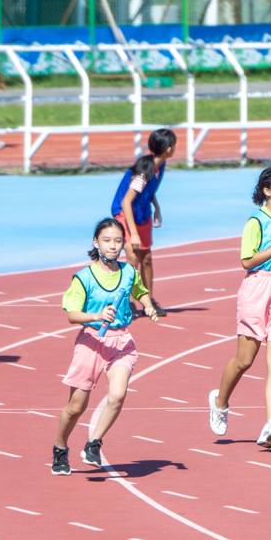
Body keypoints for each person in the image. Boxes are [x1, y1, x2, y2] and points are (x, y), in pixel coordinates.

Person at [207, 165, 271, 449]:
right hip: (258, 289)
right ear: (267, 191)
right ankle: (220, 401)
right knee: (245, 360)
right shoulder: (256, 222)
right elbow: (247, 261)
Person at [51, 218, 161, 476]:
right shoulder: (84, 277)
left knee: (118, 395)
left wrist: (147, 304)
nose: (113, 246)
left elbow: (140, 291)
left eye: (118, 241)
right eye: (107, 240)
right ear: (96, 243)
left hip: (121, 342)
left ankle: (94, 443)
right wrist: (97, 316)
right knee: (76, 407)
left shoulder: (128, 272)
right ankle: (60, 447)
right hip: (91, 342)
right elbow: (72, 315)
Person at [109, 127, 177, 310]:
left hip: (142, 213)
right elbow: (126, 201)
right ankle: (126, 302)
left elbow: (149, 191)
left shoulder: (160, 166)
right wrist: (133, 234)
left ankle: (149, 301)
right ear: (169, 149)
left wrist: (157, 207)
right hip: (125, 213)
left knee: (146, 258)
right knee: (132, 257)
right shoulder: (143, 172)